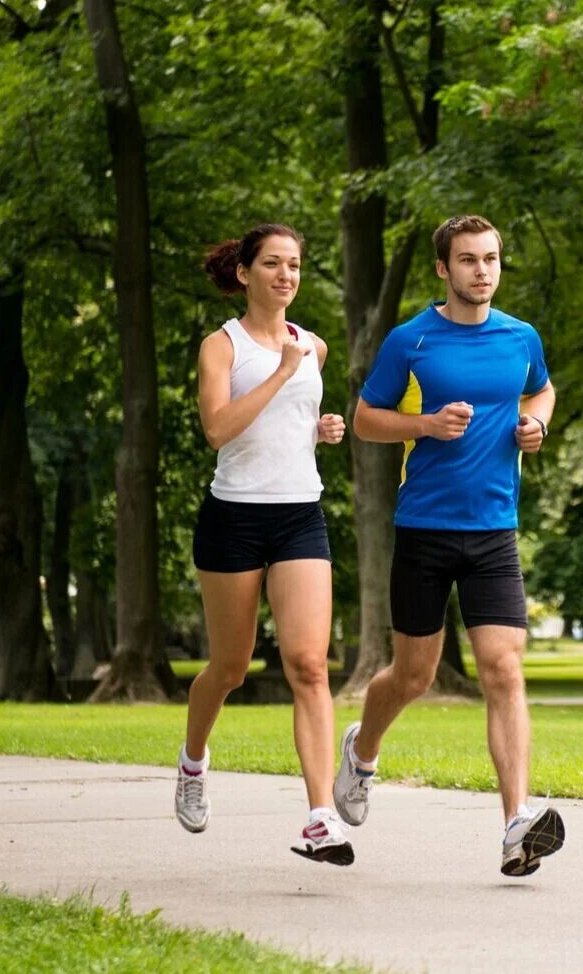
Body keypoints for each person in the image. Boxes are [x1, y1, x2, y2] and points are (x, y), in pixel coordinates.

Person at [335, 214, 565, 877]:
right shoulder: (412, 341)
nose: (482, 271)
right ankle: (362, 750)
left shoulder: (521, 336)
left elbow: (542, 388)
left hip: (495, 531)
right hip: (425, 529)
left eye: (491, 259)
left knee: (502, 668)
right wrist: (426, 424)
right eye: (467, 260)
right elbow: (365, 421)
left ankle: (515, 824)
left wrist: (535, 425)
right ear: (443, 268)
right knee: (413, 675)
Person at [175, 222, 355, 866]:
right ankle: (194, 760)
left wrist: (322, 429)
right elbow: (219, 429)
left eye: (296, 266)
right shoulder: (220, 347)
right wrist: (281, 374)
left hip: (299, 515)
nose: (287, 276)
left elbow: (292, 429)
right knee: (230, 667)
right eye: (274, 264)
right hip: (233, 520)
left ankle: (320, 817)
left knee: (309, 664)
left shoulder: (316, 346)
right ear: (245, 273)